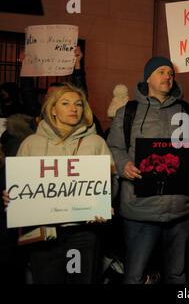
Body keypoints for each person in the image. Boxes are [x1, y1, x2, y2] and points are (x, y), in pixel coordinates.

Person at [107, 56, 189, 284]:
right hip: (140, 210)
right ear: (147, 77)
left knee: (177, 274)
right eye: (161, 71)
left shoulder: (185, 111)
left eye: (171, 73)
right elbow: (114, 147)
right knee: (135, 275)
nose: (168, 76)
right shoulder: (128, 111)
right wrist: (123, 165)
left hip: (179, 209)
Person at [3, 82, 114, 284]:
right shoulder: (31, 144)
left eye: (78, 104)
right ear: (53, 109)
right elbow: (18, 185)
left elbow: (110, 184)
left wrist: (104, 205)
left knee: (81, 280)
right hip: (42, 232)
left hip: (83, 233)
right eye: (65, 103)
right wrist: (10, 196)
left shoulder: (96, 143)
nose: (73, 108)